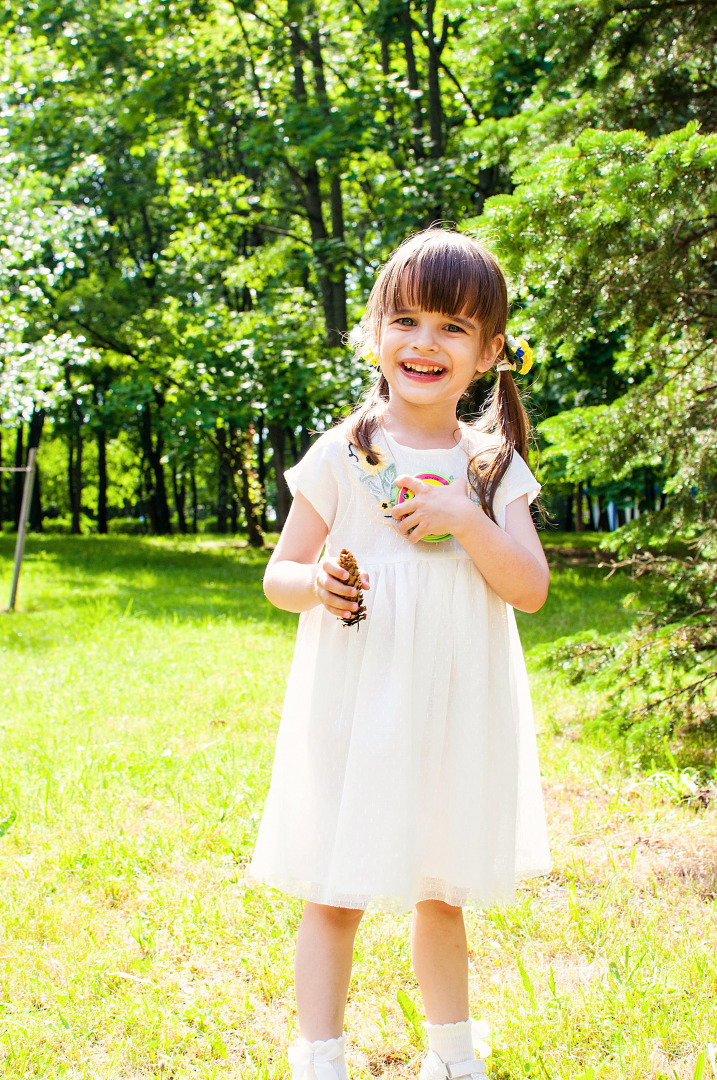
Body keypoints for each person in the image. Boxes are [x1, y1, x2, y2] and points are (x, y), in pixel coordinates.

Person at [250, 227, 552, 1080]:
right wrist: (319, 583)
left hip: (453, 705)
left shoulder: (489, 465)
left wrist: (465, 517)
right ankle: (319, 1057)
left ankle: (452, 1056)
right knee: (335, 887)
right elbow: (279, 574)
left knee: (440, 886)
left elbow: (526, 587)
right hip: (360, 699)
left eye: (454, 328)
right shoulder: (347, 451)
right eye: (408, 320)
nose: (426, 343)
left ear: (491, 352)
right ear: (375, 332)